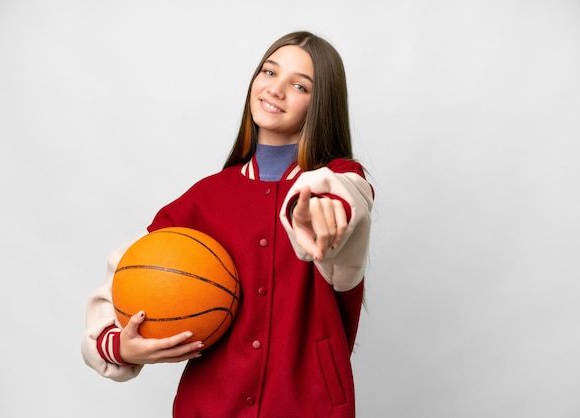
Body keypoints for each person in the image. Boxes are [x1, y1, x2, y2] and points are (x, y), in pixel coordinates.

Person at [82, 31, 374, 418]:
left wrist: (321, 209)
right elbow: (123, 275)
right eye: (269, 72)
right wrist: (119, 346)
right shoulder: (205, 198)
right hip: (209, 407)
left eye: (300, 85)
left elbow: (348, 195)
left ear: (320, 105)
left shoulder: (339, 183)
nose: (277, 89)